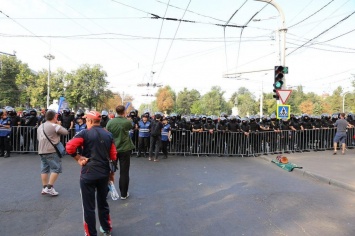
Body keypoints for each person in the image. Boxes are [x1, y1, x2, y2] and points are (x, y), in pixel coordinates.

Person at [66, 111, 117, 236]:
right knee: (103, 202)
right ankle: (106, 229)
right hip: (104, 172)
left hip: (88, 172)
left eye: (85, 120)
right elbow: (113, 155)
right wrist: (111, 174)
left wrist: (78, 158)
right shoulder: (108, 134)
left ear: (89, 121)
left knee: (88, 207)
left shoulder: (85, 133)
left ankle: (91, 234)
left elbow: (69, 147)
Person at [106, 105, 135, 200]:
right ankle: (123, 194)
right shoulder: (127, 122)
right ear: (124, 112)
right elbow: (131, 127)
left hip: (113, 149)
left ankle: (105, 192)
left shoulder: (110, 122)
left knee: (109, 171)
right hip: (125, 148)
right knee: (124, 172)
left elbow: (107, 132)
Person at [37, 110, 69, 196]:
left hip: (41, 150)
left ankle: (44, 188)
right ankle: (49, 187)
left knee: (44, 169)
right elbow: (66, 132)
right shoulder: (54, 126)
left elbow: (38, 138)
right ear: (54, 117)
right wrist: (59, 124)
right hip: (51, 150)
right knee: (56, 168)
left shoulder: (40, 126)